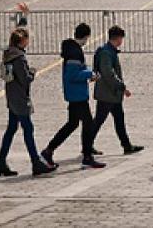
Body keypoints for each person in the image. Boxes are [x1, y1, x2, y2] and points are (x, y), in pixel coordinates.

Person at [41, 23, 105, 170]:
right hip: (77, 95)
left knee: (72, 124)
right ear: (86, 36)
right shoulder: (75, 52)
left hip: (74, 93)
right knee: (88, 123)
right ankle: (87, 156)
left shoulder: (71, 50)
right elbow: (73, 75)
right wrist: (90, 74)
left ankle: (49, 151)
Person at [0, 28, 56, 177]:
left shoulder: (8, 55)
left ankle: (1, 161)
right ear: (22, 41)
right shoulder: (19, 58)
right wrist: (33, 73)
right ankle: (36, 162)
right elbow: (25, 79)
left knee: (11, 129)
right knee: (28, 128)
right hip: (20, 97)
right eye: (27, 39)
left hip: (11, 95)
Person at [92, 26, 144, 155]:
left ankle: (126, 145)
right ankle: (87, 145)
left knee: (118, 119)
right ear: (118, 38)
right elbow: (108, 74)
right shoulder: (106, 52)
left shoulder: (109, 51)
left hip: (112, 94)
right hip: (108, 94)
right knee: (99, 121)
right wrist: (121, 86)